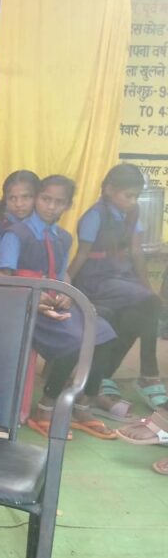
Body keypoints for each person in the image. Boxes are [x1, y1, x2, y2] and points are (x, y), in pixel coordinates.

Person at [0, 175, 120, 439]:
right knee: (74, 340)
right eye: (46, 199)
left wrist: (67, 293)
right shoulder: (16, 234)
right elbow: (7, 278)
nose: (51, 206)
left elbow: (62, 274)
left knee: (104, 334)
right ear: (37, 198)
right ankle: (45, 409)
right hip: (26, 306)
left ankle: (83, 406)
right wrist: (36, 298)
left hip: (55, 304)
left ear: (68, 205)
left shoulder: (63, 237)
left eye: (59, 202)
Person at [69, 163, 166, 414]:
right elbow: (82, 254)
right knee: (149, 303)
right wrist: (66, 284)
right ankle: (149, 374)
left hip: (120, 279)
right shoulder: (95, 215)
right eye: (128, 196)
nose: (133, 202)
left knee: (140, 314)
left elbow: (136, 251)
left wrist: (147, 288)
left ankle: (104, 375)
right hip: (96, 280)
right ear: (110, 190)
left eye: (136, 197)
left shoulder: (132, 213)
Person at [0, 169, 40, 276]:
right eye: (12, 198)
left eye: (25, 197)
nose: (19, 204)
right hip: (7, 284)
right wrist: (18, 285)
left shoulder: (44, 226)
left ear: (37, 197)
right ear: (5, 200)